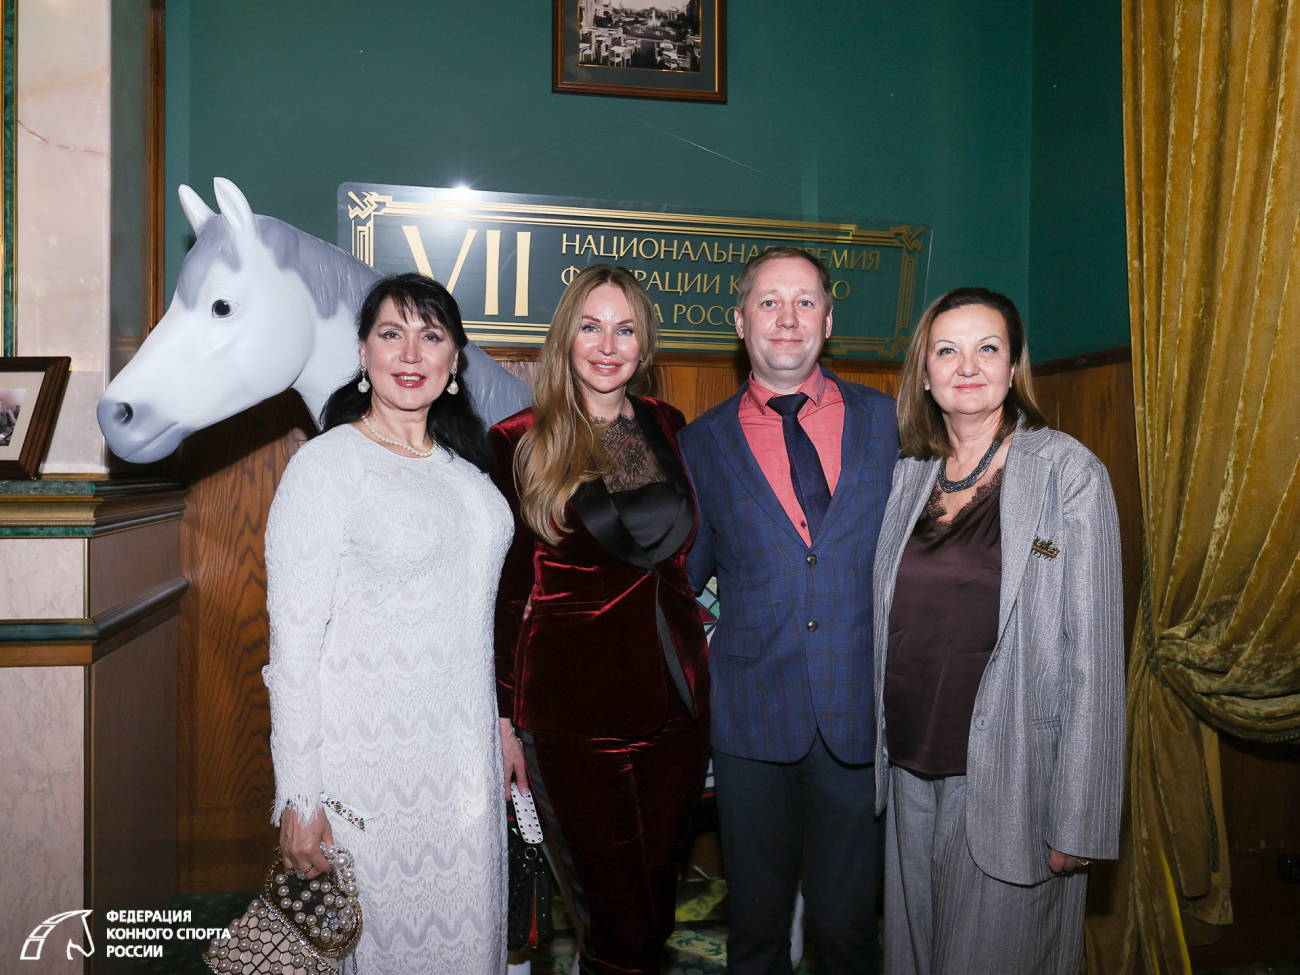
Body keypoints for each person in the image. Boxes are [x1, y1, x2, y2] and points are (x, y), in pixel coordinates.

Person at [263, 273, 512, 975]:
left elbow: (478, 622)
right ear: (363, 352)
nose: (410, 353)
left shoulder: (466, 470)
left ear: (455, 359)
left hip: (465, 769)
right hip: (370, 774)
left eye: (430, 335)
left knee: (472, 949)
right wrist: (299, 794)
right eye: (390, 333)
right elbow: (294, 647)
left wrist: (502, 727)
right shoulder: (326, 466)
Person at [871, 287, 1125, 975]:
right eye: (946, 350)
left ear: (1013, 368)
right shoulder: (910, 475)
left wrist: (1080, 815)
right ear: (924, 374)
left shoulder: (1068, 474)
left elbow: (1095, 659)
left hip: (1015, 781)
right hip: (909, 773)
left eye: (988, 348)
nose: (967, 365)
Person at [678, 247, 898, 975]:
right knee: (757, 934)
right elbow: (680, 582)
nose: (787, 317)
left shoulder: (891, 423)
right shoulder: (700, 443)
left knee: (847, 934)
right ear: (740, 321)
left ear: (828, 321)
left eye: (805, 301)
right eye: (769, 302)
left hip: (858, 717)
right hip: (750, 723)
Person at [491, 264, 710, 975]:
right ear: (566, 337)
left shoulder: (660, 425)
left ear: (645, 344)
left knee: (654, 913)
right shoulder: (522, 438)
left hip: (674, 703)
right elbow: (508, 591)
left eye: (625, 329)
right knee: (617, 926)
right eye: (591, 327)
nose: (608, 345)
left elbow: (657, 548)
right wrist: (504, 718)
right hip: (572, 712)